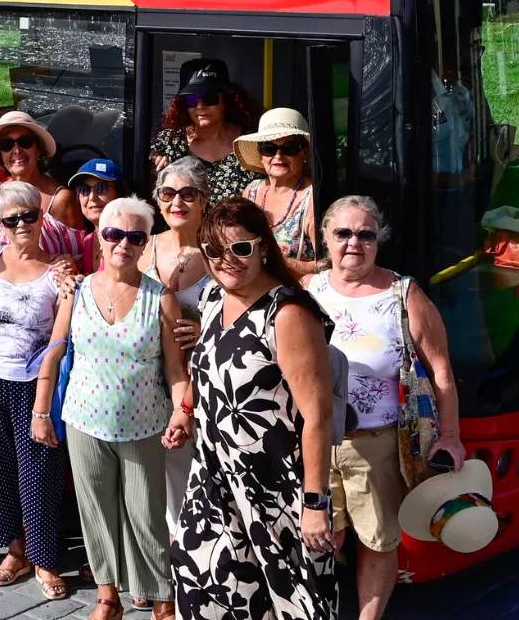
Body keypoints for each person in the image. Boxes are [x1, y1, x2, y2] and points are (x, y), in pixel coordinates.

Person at [171, 197, 337, 620]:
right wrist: (185, 412)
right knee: (202, 590)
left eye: (240, 248)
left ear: (263, 247)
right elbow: (207, 368)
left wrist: (315, 504)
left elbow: (317, 415)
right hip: (213, 479)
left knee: (294, 605)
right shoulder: (212, 298)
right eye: (215, 252)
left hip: (276, 489)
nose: (228, 261)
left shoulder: (288, 313)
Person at [309, 196, 464, 620]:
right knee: (322, 534)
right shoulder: (310, 289)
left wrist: (450, 437)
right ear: (324, 236)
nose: (353, 243)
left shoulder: (402, 292)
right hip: (315, 441)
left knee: (377, 542)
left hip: (375, 446)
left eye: (365, 235)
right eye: (342, 233)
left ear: (379, 242)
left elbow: (442, 371)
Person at [49, 197, 191, 619]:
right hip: (83, 420)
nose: (123, 243)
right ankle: (107, 597)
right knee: (95, 511)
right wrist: (43, 412)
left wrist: (183, 410)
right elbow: (55, 350)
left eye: (135, 236)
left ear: (146, 243)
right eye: (113, 234)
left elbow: (176, 369)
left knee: (146, 516)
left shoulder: (160, 299)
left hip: (143, 423)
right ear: (101, 237)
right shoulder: (75, 290)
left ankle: (162, 600)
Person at [0, 181, 74, 601]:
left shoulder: (59, 271)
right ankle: (14, 550)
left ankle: (45, 558)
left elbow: (62, 338)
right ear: (1, 223)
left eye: (30, 215)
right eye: (12, 218)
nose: (22, 224)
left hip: (32, 384)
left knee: (39, 472)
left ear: (41, 217)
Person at [144, 156, 215, 535]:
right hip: (147, 379)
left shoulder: (223, 252)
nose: (178, 202)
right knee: (151, 467)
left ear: (204, 200)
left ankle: (189, 547)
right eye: (168, 193)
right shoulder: (141, 246)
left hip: (204, 382)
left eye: (189, 194)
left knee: (191, 466)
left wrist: (206, 329)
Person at [0, 110, 76, 269]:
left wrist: (71, 265)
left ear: (39, 149)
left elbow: (81, 258)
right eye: (7, 145)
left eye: (25, 142)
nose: (16, 150)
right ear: (0, 155)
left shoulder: (60, 199)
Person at [149, 58, 259, 205]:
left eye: (209, 98)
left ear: (226, 99)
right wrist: (153, 173)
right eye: (192, 100)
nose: (200, 106)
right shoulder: (168, 143)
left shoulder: (252, 143)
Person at [238, 108, 320, 262]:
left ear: (304, 153)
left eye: (289, 148)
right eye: (269, 148)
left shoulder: (312, 198)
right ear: (260, 154)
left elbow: (325, 264)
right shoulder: (251, 191)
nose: (278, 156)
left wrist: (276, 266)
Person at [46, 157, 127, 273]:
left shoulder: (130, 238)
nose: (92, 197)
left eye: (101, 188)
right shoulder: (88, 240)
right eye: (84, 190)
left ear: (119, 193)